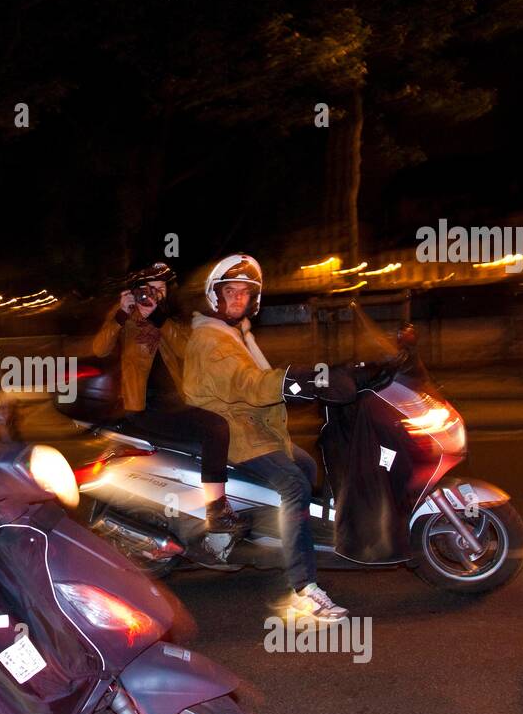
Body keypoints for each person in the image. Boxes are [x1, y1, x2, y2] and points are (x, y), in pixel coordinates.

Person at [182, 254, 357, 621]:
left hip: (255, 425)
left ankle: (276, 536)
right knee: (294, 482)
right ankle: (303, 589)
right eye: (230, 291)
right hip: (236, 430)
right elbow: (246, 383)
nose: (237, 299)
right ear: (214, 295)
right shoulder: (211, 340)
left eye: (244, 293)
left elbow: (255, 378)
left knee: (307, 466)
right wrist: (293, 379)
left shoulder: (234, 333)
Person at [91, 262, 246, 533]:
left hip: (174, 403)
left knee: (227, 421)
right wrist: (120, 313)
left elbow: (188, 350)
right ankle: (216, 511)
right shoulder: (125, 317)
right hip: (144, 407)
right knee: (216, 427)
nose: (154, 296)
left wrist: (159, 317)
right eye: (148, 290)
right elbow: (100, 349)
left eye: (160, 290)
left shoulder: (171, 318)